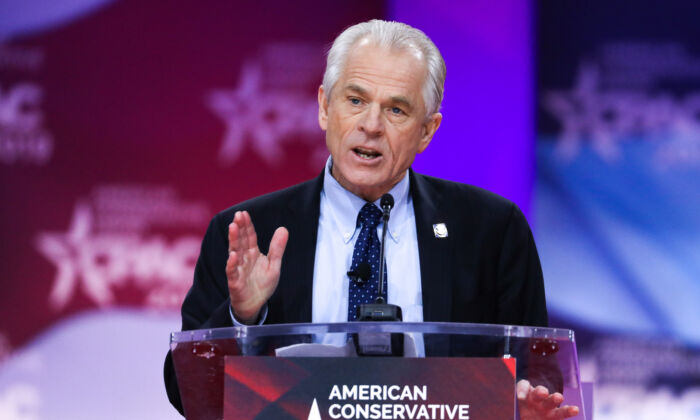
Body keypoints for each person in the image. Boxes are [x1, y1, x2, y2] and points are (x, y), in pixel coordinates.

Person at [164, 19, 579, 419]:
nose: (371, 125)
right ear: (325, 107)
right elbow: (186, 392)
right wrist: (243, 316)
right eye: (356, 100)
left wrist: (527, 402)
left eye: (397, 110)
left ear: (427, 131)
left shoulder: (492, 230)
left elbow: (539, 372)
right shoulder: (248, 233)